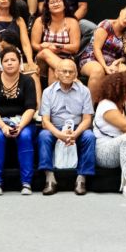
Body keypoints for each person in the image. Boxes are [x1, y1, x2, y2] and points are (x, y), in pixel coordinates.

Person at [0, 43, 38, 195]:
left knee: (25, 135)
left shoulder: (28, 81)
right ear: (1, 63)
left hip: (23, 121)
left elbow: (31, 108)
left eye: (13, 60)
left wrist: (20, 126)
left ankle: (26, 183)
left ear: (19, 62)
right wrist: (2, 126)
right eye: (6, 60)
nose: (10, 63)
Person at [37, 58, 95, 196]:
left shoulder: (84, 91)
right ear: (57, 73)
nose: (68, 74)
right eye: (64, 71)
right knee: (43, 135)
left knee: (89, 136)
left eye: (71, 72)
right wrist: (59, 134)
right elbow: (45, 121)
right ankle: (50, 179)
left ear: (76, 74)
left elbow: (87, 119)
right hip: (55, 127)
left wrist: (75, 133)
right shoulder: (48, 92)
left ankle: (81, 179)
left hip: (77, 127)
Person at [78, 4, 126, 103]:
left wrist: (117, 62)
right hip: (92, 58)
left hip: (111, 62)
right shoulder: (106, 24)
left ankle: (116, 108)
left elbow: (124, 56)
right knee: (98, 70)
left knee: (124, 71)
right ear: (121, 11)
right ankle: (89, 110)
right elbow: (96, 48)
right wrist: (105, 67)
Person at [30, 0, 81, 84]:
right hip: (42, 59)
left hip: (66, 59)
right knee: (46, 52)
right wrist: (44, 47)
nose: (56, 4)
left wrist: (58, 47)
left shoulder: (72, 22)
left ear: (64, 4)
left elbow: (75, 47)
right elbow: (34, 44)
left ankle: (52, 98)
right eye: (52, 2)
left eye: (58, 1)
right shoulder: (40, 21)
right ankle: (72, 77)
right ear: (47, 6)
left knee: (53, 70)